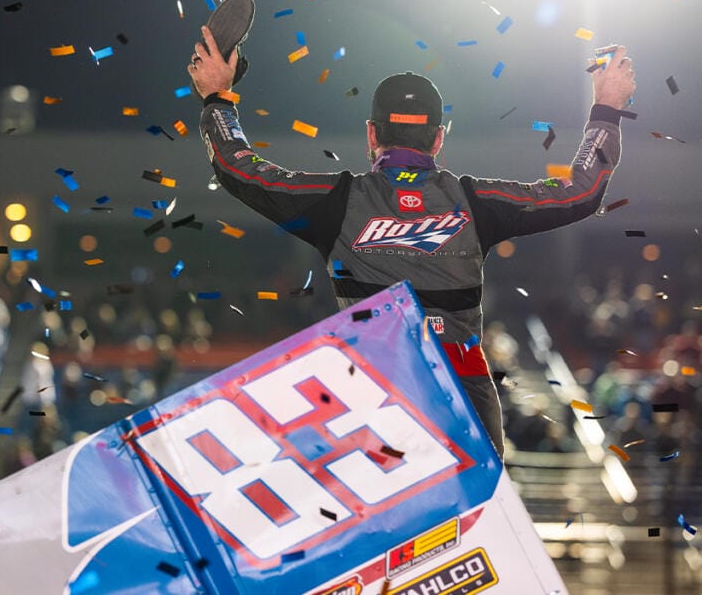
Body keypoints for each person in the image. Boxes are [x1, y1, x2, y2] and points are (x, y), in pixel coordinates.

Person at [187, 25, 636, 456]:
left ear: (371, 134)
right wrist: (607, 109)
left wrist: (217, 98)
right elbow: (581, 192)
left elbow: (238, 168)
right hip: (462, 405)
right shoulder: (477, 201)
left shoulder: (336, 202)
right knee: (473, 531)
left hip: (373, 401)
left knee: (381, 531)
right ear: (438, 138)